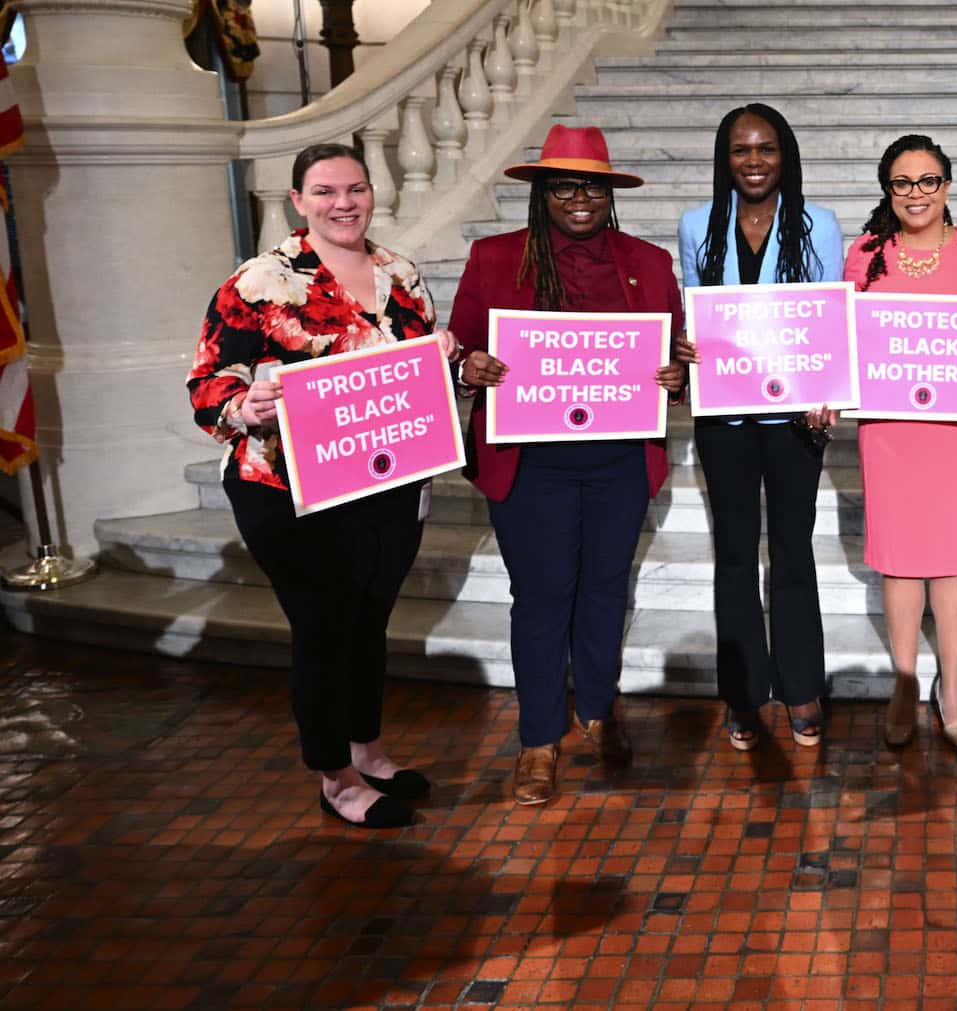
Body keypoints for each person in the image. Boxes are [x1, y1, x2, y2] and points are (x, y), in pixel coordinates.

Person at [187, 143, 452, 829]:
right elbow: (209, 380)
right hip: (284, 486)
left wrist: (443, 357)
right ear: (299, 199)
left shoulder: (401, 273)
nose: (344, 203)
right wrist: (243, 406)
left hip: (386, 480)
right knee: (323, 625)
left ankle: (368, 748)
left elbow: (417, 379)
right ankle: (335, 776)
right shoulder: (260, 281)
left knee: (368, 621)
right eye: (326, 190)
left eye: (356, 188)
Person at [448, 125, 687, 806]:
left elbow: (671, 354)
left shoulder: (647, 260)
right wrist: (472, 364)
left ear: (610, 194)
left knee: (607, 587)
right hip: (530, 462)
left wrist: (676, 375)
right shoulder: (495, 257)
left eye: (592, 186)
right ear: (542, 192)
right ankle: (538, 740)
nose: (580, 198)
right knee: (545, 595)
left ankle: (600, 710)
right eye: (565, 186)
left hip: (617, 456)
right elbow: (460, 346)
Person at [677, 105, 845, 751]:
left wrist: (826, 392)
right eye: (741, 149)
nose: (754, 161)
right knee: (736, 555)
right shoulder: (697, 223)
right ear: (725, 157)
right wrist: (688, 345)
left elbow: (827, 315)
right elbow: (697, 310)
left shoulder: (817, 224)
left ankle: (802, 685)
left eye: (766, 148)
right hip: (724, 416)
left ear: (785, 154)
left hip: (797, 418)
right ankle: (743, 692)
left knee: (794, 552)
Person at [840, 135, 957, 750]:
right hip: (889, 426)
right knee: (899, 552)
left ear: (947, 186)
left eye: (928, 181)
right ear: (888, 190)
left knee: (953, 551)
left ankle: (953, 684)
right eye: (903, 183)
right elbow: (845, 337)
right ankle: (905, 681)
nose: (916, 194)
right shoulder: (865, 253)